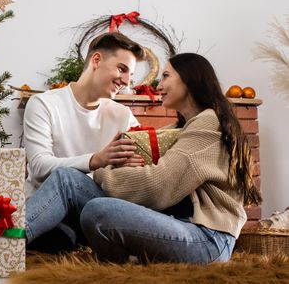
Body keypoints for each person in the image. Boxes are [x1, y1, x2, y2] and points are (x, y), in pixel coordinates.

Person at [80, 53, 262, 264]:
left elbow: (158, 185)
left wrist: (101, 174)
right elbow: (149, 173)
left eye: (166, 76)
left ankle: (122, 260)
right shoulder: (180, 129)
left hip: (208, 240)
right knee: (69, 181)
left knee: (98, 210)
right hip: (181, 225)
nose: (159, 85)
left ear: (189, 79)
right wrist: (119, 164)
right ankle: (31, 242)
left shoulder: (209, 121)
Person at [23, 32, 145, 251]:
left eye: (131, 75)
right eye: (121, 69)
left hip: (91, 207)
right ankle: (51, 236)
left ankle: (16, 240)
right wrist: (96, 160)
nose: (126, 82)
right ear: (96, 60)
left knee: (71, 189)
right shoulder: (44, 104)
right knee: (64, 185)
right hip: (46, 204)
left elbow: (143, 166)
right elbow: (39, 166)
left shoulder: (123, 116)